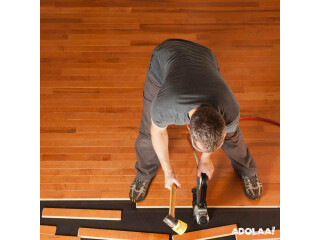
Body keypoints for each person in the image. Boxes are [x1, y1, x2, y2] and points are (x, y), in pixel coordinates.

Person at [129, 39, 262, 203]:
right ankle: (144, 173)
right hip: (165, 55)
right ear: (189, 131)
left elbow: (220, 136)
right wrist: (168, 172)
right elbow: (157, 132)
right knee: (148, 129)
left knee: (233, 135)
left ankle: (248, 172)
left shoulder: (229, 108)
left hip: (203, 55)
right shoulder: (165, 107)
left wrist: (205, 159)